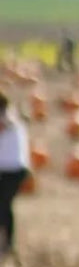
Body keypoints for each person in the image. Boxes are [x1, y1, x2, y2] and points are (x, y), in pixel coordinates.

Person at [0, 92, 31, 256]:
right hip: (12, 169)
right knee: (4, 205)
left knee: (3, 205)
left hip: (13, 169)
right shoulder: (12, 116)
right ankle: (6, 243)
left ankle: (8, 244)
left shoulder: (8, 118)